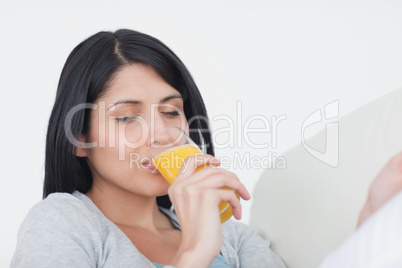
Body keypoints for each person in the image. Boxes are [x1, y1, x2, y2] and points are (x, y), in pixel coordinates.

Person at [10, 29, 286, 267]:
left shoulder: (233, 237)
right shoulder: (63, 222)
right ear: (79, 138)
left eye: (171, 111)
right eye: (128, 117)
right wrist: (193, 254)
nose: (163, 135)